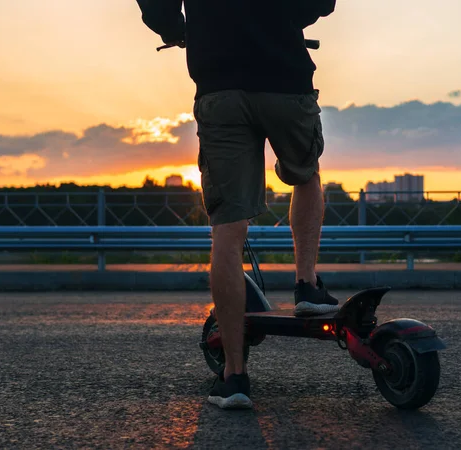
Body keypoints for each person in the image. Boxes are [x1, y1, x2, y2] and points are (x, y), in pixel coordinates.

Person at [136, 0, 338, 410]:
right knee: (305, 174)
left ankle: (234, 377)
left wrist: (172, 27)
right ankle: (306, 285)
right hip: (284, 76)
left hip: (219, 85)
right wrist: (281, 17)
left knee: (227, 228)